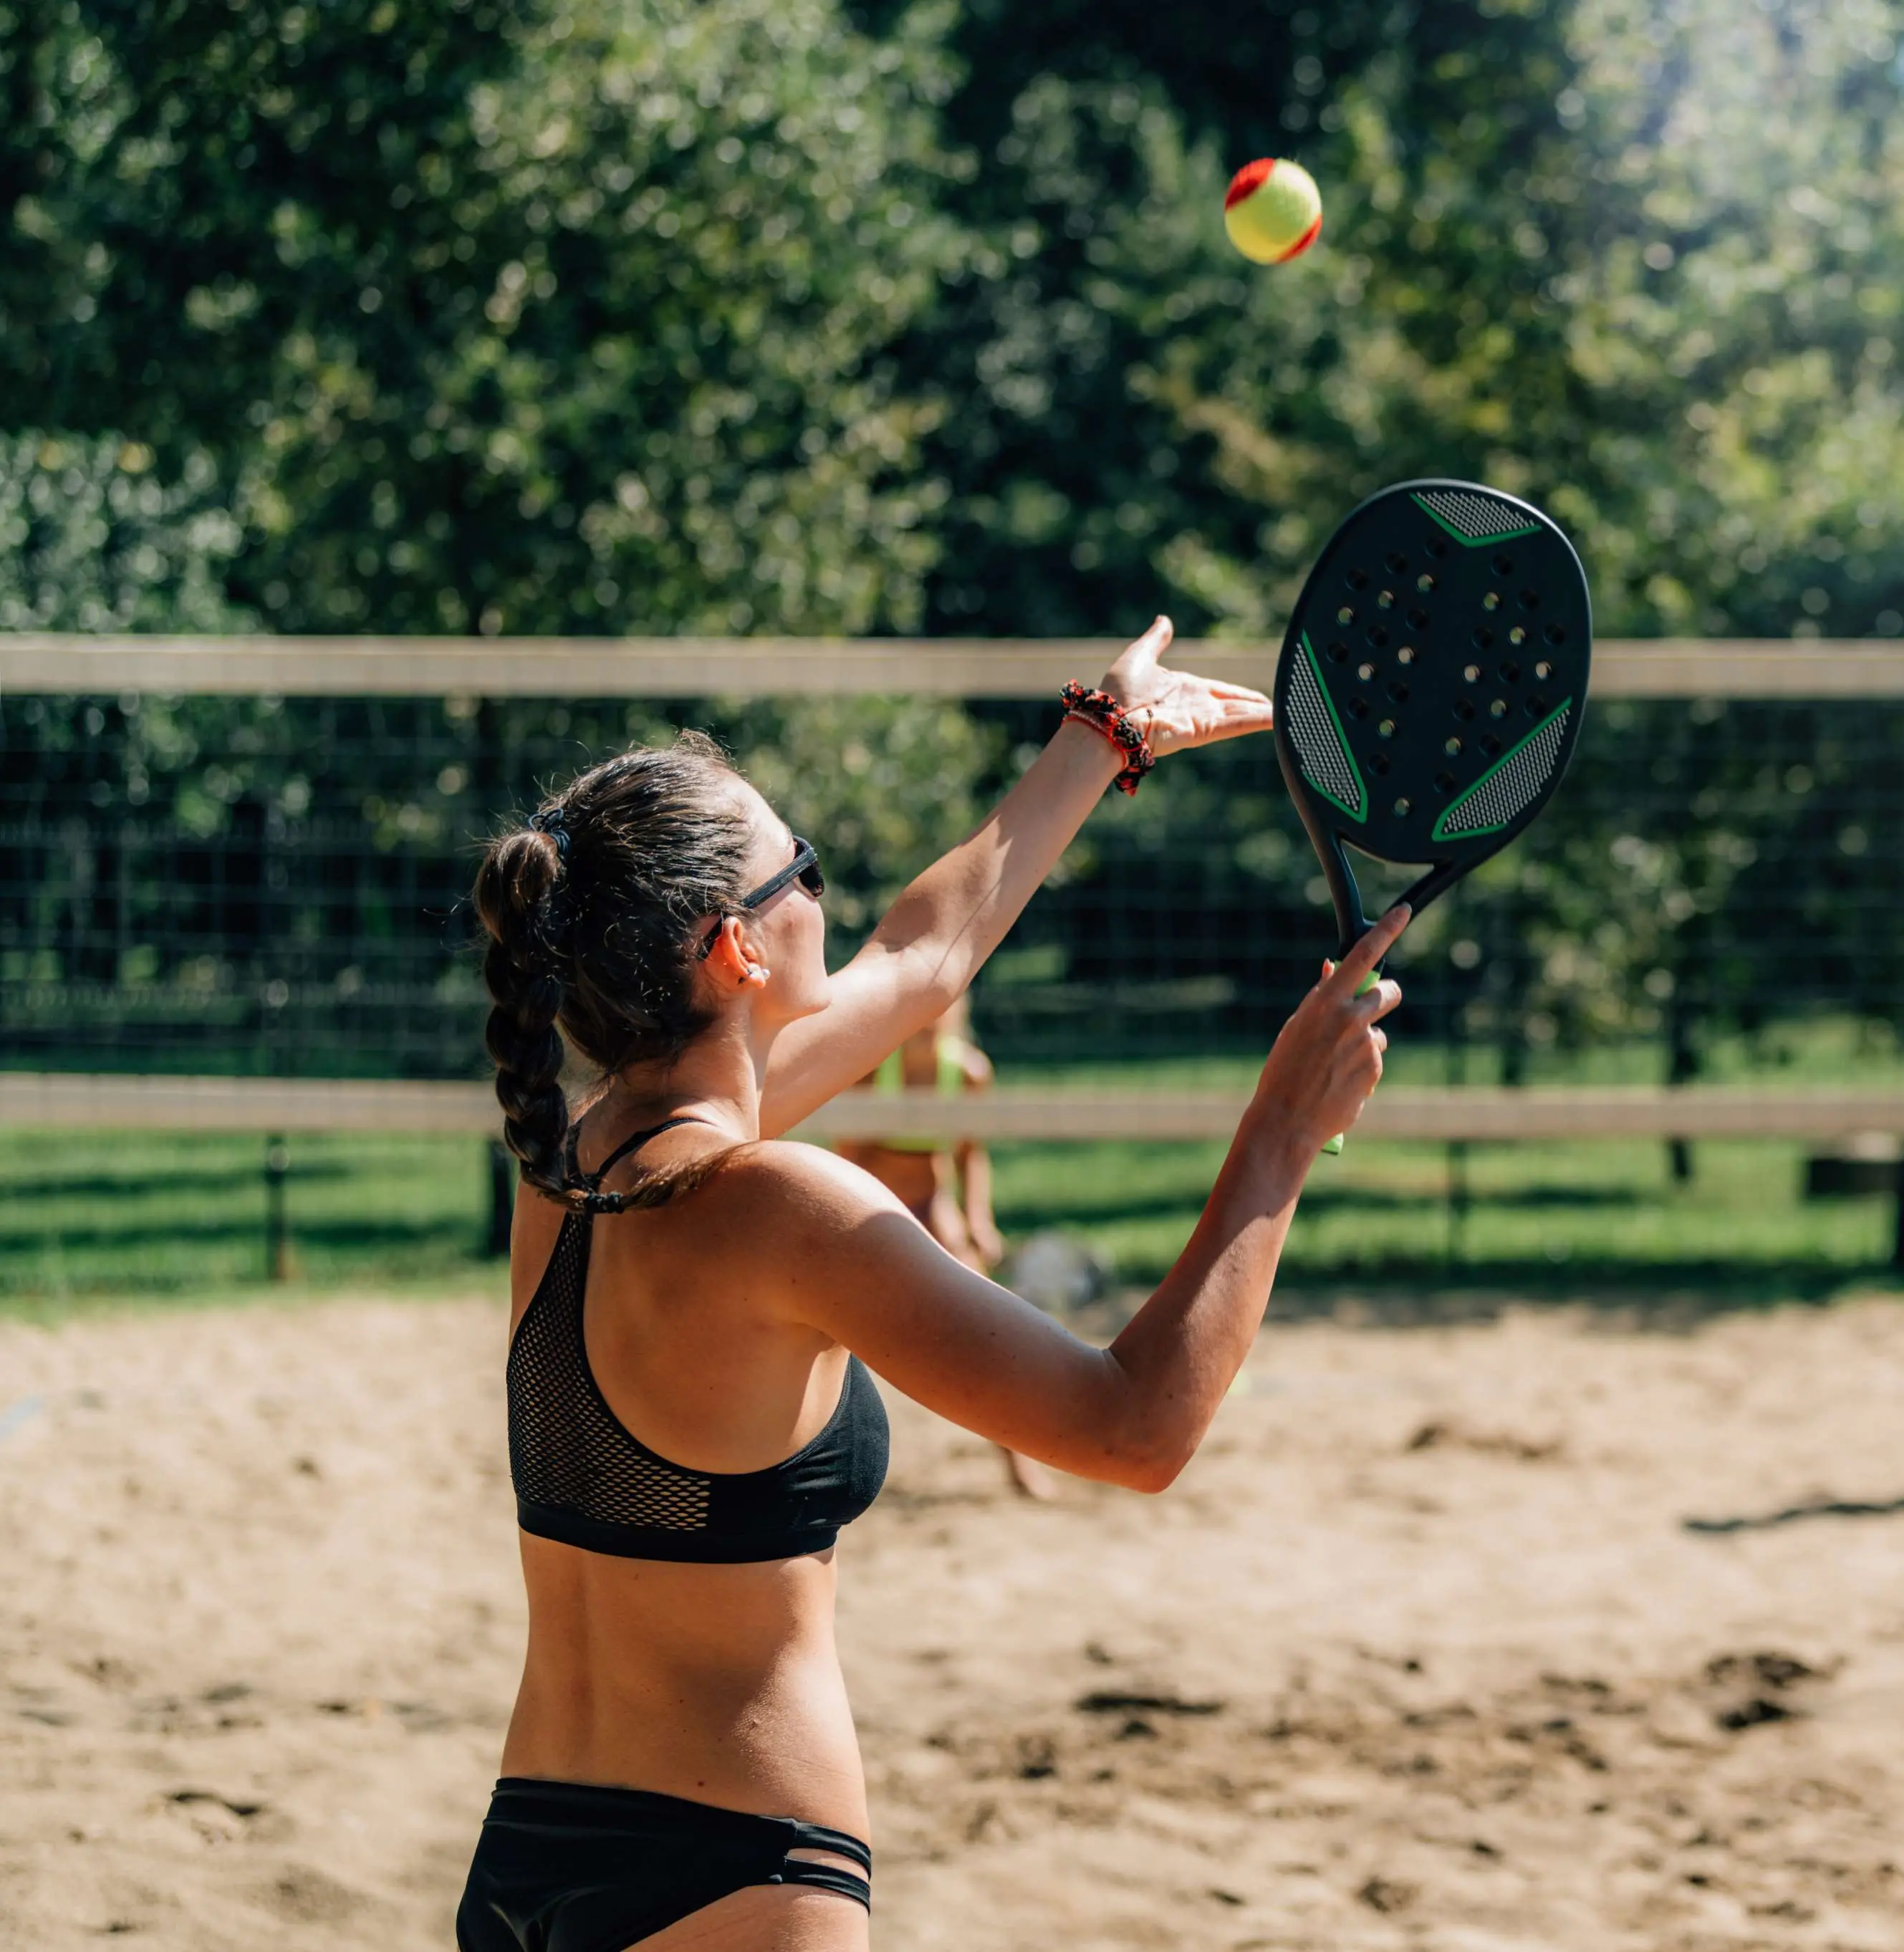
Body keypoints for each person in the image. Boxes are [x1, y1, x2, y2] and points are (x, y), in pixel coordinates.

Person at [458, 617, 1408, 1951]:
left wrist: (1104, 735)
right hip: (732, 1872)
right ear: (733, 952)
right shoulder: (784, 1209)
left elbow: (923, 961)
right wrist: (1280, 1138)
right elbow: (1133, 1430)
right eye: (807, 870)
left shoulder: (573, 1163)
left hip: (526, 1864)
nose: (830, 898)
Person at [835, 994, 1055, 1499]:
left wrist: (979, 1218)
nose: (933, 1017)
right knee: (833, 1326)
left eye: (945, 1006)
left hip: (933, 1201)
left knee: (989, 1327)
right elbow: (846, 1162)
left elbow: (970, 1156)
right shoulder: (873, 1068)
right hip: (872, 1201)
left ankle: (1019, 1460)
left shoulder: (970, 1072)